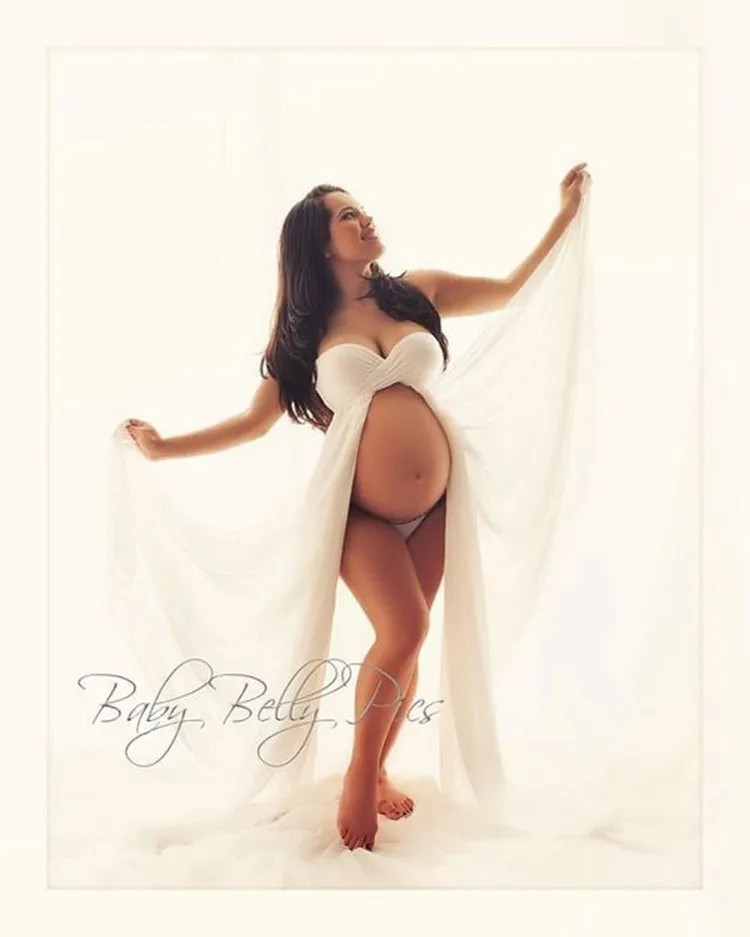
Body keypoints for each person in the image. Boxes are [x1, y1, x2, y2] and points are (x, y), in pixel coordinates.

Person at [112, 164, 593, 854]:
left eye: (362, 210)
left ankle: (379, 764)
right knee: (404, 627)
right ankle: (360, 775)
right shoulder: (305, 334)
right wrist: (164, 449)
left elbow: (514, 288)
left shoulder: (418, 291)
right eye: (348, 215)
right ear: (319, 243)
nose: (366, 219)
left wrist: (564, 214)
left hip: (438, 504)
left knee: (410, 636)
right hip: (361, 514)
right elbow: (253, 423)